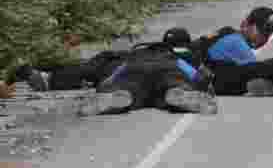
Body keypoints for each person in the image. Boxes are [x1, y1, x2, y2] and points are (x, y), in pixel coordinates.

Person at [14, 27, 195, 92]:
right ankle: (47, 79)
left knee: (87, 68)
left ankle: (45, 74)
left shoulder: (159, 47)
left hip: (123, 60)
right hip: (127, 67)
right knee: (90, 74)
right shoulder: (187, 54)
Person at [76, 39, 217, 117]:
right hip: (168, 69)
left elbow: (109, 80)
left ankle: (119, 94)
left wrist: (103, 88)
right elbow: (198, 78)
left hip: (134, 68)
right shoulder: (175, 58)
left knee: (129, 88)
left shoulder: (131, 57)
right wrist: (206, 87)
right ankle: (178, 91)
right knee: (171, 87)